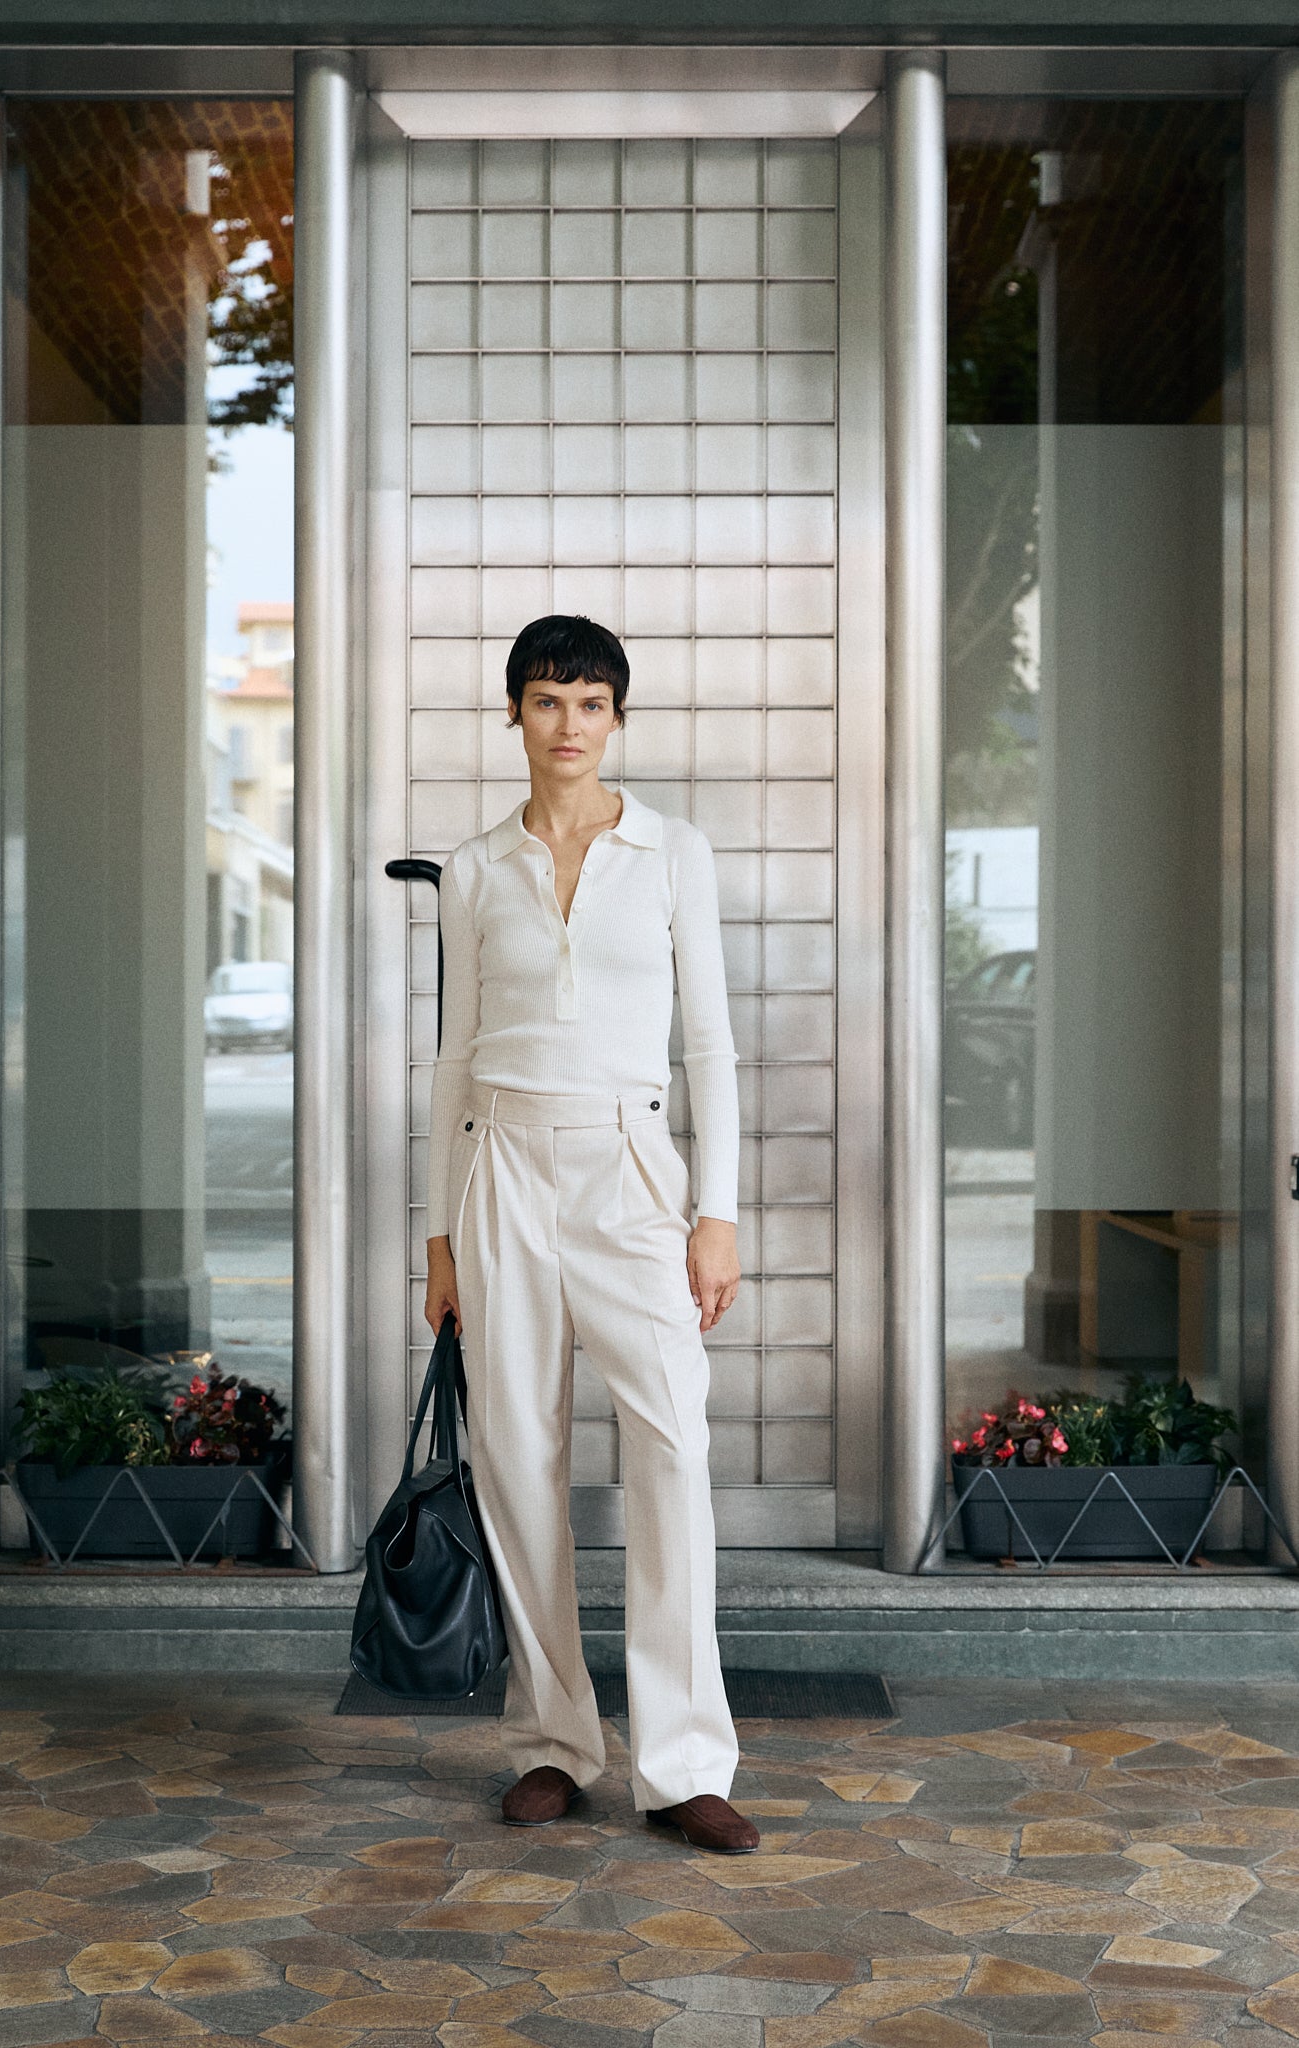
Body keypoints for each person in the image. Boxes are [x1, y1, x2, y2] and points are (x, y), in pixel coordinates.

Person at [423, 614, 759, 1855]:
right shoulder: (472, 869)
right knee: (516, 1454)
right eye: (547, 699)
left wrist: (714, 1212)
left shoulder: (673, 852)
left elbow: (710, 1043)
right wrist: (439, 1237)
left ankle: (683, 1765)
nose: (569, 723)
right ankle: (553, 1742)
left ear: (617, 718)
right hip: (501, 1165)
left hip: (630, 1164)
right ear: (513, 712)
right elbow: (452, 1059)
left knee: (670, 1443)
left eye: (592, 702)